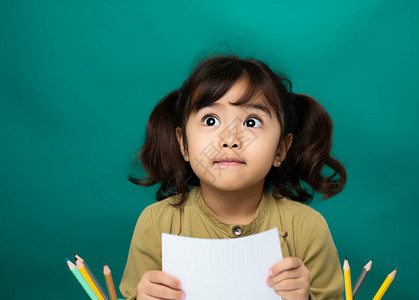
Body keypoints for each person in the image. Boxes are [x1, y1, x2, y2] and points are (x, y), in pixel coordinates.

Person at [120, 55, 347, 300]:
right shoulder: (156, 223)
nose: (230, 139)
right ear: (183, 144)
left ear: (280, 149)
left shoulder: (307, 228)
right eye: (210, 120)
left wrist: (305, 298)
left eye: (251, 122)